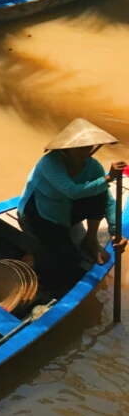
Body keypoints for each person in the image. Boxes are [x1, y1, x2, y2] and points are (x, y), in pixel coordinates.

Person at [17, 118, 127, 292]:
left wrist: (116, 232)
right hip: (39, 215)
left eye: (88, 147)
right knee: (68, 261)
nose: (85, 151)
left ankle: (90, 239)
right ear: (66, 149)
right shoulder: (49, 163)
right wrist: (108, 178)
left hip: (66, 211)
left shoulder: (93, 167)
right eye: (79, 148)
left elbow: (106, 200)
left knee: (99, 194)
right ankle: (32, 260)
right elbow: (72, 191)